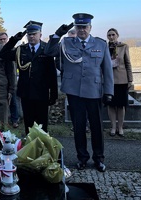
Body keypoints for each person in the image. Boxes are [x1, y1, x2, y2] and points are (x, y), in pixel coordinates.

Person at [44, 13, 114, 172]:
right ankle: (82, 157)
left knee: (97, 127)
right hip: (74, 91)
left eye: (85, 27)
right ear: (75, 28)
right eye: (79, 27)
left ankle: (99, 158)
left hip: (94, 91)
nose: (82, 30)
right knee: (79, 127)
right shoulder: (66, 43)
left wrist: (109, 91)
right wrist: (57, 34)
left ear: (90, 28)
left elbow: (107, 70)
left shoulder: (101, 44)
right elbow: (49, 52)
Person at [0, 21, 58, 135]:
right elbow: (3, 54)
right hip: (26, 93)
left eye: (34, 34)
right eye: (29, 34)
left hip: (42, 93)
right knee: (29, 124)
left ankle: (42, 148)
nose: (31, 36)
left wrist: (53, 93)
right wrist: (14, 40)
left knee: (42, 124)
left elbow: (52, 73)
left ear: (40, 35)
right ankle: (29, 149)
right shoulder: (21, 49)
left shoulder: (46, 49)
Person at [106, 28, 133, 137]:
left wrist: (130, 79)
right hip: (109, 80)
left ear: (117, 35)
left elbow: (128, 63)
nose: (111, 37)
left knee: (121, 105)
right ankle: (113, 127)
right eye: (109, 35)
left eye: (113, 35)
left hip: (122, 80)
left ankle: (120, 127)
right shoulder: (105, 48)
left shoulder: (124, 47)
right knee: (111, 105)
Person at [0, 32, 20, 128]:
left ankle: (15, 120)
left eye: (4, 39)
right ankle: (1, 120)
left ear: (7, 39)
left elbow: (13, 70)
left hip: (11, 80)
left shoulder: (13, 50)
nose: (2, 41)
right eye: (0, 39)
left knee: (13, 101)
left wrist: (12, 85)